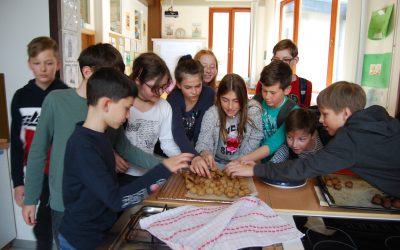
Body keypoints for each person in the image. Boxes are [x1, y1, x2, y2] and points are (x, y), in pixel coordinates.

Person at [23, 43, 161, 248]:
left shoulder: (112, 110)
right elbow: (38, 151)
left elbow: (126, 148)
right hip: (65, 204)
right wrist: (30, 198)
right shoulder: (57, 100)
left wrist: (165, 164)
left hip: (101, 205)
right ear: (88, 72)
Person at [58, 67, 193, 250]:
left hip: (100, 232)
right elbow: (115, 199)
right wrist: (163, 169)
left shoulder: (101, 136)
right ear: (106, 104)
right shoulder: (83, 146)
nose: (128, 115)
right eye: (126, 108)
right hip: (82, 240)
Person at [225, 81, 400, 198]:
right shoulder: (376, 118)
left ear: (346, 113)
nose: (321, 120)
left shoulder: (351, 139)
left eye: (325, 114)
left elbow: (306, 167)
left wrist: (256, 171)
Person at [10, 36, 68, 250]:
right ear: (29, 64)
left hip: (62, 175)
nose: (43, 68)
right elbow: (17, 143)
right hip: (37, 176)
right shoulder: (21, 97)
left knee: (63, 228)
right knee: (41, 229)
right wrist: (18, 182)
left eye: (49, 62)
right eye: (37, 63)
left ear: (58, 64)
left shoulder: (67, 95)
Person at [191, 73, 264, 178]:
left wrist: (241, 160)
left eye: (236, 101)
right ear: (218, 97)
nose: (230, 107)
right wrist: (205, 153)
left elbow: (256, 137)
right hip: (216, 164)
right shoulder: (212, 114)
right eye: (225, 100)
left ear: (244, 99)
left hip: (244, 162)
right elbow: (203, 141)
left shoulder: (253, 111)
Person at [124, 52, 181, 176]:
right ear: (137, 80)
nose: (160, 92)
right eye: (154, 87)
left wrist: (182, 160)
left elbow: (167, 142)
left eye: (164, 86)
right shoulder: (123, 104)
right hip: (121, 174)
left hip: (148, 172)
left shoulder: (164, 107)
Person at [236, 60, 298, 163]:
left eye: (273, 92)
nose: (267, 97)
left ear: (287, 90)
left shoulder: (293, 112)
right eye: (264, 91)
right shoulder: (257, 100)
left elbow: (274, 142)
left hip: (277, 163)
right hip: (253, 158)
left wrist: (244, 159)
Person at [167, 56, 215, 155]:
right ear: (179, 85)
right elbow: (177, 131)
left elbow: (201, 129)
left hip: (192, 149)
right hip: (170, 150)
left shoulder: (208, 94)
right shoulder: (174, 97)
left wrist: (201, 153)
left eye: (198, 86)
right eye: (188, 87)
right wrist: (195, 157)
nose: (194, 92)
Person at [255, 39, 312, 107]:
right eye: (276, 59)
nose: (280, 63)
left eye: (285, 59)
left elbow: (305, 112)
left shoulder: (305, 86)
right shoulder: (263, 83)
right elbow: (257, 106)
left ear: (295, 60)